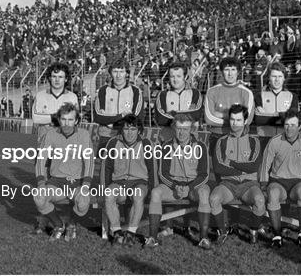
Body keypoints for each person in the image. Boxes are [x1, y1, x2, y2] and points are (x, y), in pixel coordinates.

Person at [145, 114, 211, 249]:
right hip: (173, 187)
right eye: (179, 128)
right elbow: (162, 174)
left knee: (204, 193)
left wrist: (189, 187)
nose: (181, 132)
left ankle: (203, 238)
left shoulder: (201, 146)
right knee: (156, 192)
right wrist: (175, 186)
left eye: (185, 129)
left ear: (191, 129)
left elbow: (204, 175)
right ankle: (152, 237)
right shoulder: (166, 146)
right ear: (174, 128)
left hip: (193, 187)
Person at [33, 103, 94, 241]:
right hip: (56, 182)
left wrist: (85, 185)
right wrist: (41, 183)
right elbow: (41, 159)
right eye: (64, 119)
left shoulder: (83, 135)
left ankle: (71, 224)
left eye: (70, 120)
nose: (67, 123)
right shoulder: (51, 134)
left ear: (76, 120)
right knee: (39, 197)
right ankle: (58, 225)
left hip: (76, 182)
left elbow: (89, 161)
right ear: (59, 120)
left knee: (83, 202)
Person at [209, 105, 266, 245]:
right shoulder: (221, 141)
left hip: (249, 185)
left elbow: (254, 166)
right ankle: (223, 231)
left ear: (245, 120)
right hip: (227, 184)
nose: (235, 123)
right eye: (233, 120)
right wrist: (243, 169)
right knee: (214, 198)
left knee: (259, 200)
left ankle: (253, 231)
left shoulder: (254, 141)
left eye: (239, 120)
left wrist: (232, 163)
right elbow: (218, 168)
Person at [259, 109, 301, 248]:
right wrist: (264, 184)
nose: (289, 128)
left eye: (293, 125)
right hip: (278, 181)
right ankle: (277, 235)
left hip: (298, 181)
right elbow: (265, 164)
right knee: (273, 194)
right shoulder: (274, 141)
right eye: (286, 124)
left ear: (300, 126)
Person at [104, 114, 154, 246]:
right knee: (109, 194)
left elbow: (152, 169)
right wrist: (106, 187)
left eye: (133, 129)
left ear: (139, 130)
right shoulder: (113, 143)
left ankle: (131, 233)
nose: (129, 133)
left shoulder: (146, 143)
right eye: (126, 129)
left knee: (137, 196)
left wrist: (153, 190)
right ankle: (117, 233)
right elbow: (106, 168)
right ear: (121, 130)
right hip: (119, 182)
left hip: (140, 182)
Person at [94, 59, 144, 155]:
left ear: (126, 73)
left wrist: (110, 122)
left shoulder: (135, 91)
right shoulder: (103, 91)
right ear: (110, 73)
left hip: (128, 138)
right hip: (106, 137)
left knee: (128, 168)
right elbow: (98, 117)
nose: (118, 75)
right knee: (102, 167)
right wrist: (122, 115)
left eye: (121, 71)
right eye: (115, 71)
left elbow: (137, 118)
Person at [204, 57, 255, 135]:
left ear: (238, 72)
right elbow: (209, 119)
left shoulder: (247, 93)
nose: (230, 73)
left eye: (233, 70)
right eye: (227, 69)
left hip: (239, 136)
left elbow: (247, 120)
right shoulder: (211, 91)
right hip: (216, 136)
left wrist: (222, 115)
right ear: (221, 72)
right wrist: (237, 119)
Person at [155, 62, 203, 142]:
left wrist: (172, 113)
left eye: (178, 76)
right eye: (172, 76)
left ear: (185, 77)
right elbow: (161, 119)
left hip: (190, 142)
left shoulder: (195, 93)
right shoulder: (162, 95)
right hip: (168, 141)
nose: (175, 80)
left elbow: (196, 114)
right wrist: (187, 116)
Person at [32, 63, 78, 143]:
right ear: (49, 78)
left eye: (60, 77)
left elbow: (74, 120)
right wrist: (58, 118)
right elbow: (36, 118)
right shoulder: (40, 96)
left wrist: (47, 120)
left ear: (66, 79)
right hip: (44, 144)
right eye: (54, 76)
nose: (57, 80)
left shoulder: (72, 97)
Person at [254, 62, 299, 136]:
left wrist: (267, 115)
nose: (277, 79)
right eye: (274, 76)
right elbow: (259, 120)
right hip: (265, 138)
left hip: (285, 139)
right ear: (269, 77)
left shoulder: (292, 96)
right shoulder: (259, 96)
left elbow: (292, 121)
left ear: (284, 78)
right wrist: (282, 116)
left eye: (280, 76)